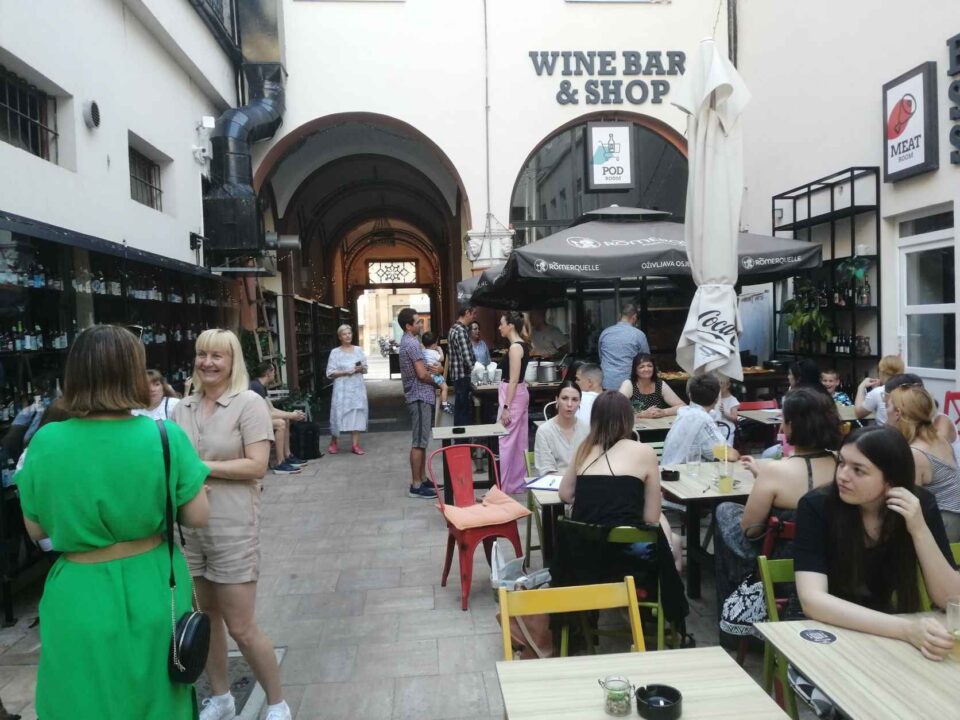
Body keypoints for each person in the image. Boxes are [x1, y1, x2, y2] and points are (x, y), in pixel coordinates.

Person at [17, 325, 210, 719]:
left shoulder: (46, 442)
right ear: (132, 373)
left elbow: (37, 530)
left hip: (78, 587)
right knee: (158, 695)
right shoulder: (164, 436)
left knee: (81, 698)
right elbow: (197, 517)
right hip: (154, 580)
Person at [171, 329, 291, 720]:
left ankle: (277, 703)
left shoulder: (248, 404)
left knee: (241, 626)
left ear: (232, 361)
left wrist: (198, 468)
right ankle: (221, 698)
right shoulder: (181, 409)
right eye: (202, 354)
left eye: (217, 356)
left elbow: (257, 465)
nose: (207, 362)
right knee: (205, 620)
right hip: (189, 531)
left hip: (232, 528)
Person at [794, 426, 960, 660]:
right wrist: (905, 630)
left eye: (858, 470)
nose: (842, 476)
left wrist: (919, 529)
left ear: (891, 480)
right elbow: (813, 601)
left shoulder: (919, 505)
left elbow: (950, 598)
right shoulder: (817, 506)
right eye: (841, 463)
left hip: (886, 631)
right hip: (823, 631)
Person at [714, 388, 841, 617]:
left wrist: (763, 479)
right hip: (832, 555)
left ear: (792, 425)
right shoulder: (843, 467)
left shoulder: (776, 471)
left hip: (780, 559)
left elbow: (750, 531)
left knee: (725, 511)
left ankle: (733, 606)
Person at [558, 390, 682, 574]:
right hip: (630, 557)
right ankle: (663, 588)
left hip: (584, 556)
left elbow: (565, 494)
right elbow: (651, 518)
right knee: (674, 548)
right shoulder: (645, 452)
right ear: (628, 418)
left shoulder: (583, 449)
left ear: (595, 419)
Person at [886, 382, 960, 541]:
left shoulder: (915, 453)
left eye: (888, 406)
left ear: (898, 413)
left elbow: (906, 502)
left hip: (943, 524)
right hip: (953, 517)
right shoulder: (937, 437)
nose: (886, 412)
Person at [397, 307, 439, 499]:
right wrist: (437, 380)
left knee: (422, 441)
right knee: (419, 442)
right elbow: (422, 374)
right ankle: (416, 485)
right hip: (419, 395)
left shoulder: (407, 341)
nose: (421, 324)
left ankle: (422, 478)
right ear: (408, 326)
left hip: (417, 395)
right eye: (417, 322)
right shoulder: (413, 343)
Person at [662, 374, 741, 466]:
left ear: (690, 396)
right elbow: (729, 455)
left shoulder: (684, 411)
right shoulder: (702, 418)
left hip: (668, 469)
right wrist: (737, 453)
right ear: (717, 399)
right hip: (682, 472)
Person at [249, 362, 307, 474]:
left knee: (285, 419)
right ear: (268, 373)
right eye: (274, 371)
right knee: (280, 424)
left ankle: (287, 456)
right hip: (251, 422)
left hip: (258, 418)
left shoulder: (261, 386)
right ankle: (279, 463)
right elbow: (268, 414)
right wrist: (292, 415)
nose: (274, 374)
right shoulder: (256, 387)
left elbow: (272, 409)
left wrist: (291, 414)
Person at [498, 310, 532, 494]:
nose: (499, 327)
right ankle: (516, 483)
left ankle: (503, 485)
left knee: (506, 439)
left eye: (502, 324)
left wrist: (506, 407)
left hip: (513, 394)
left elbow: (513, 380)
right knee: (519, 440)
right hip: (519, 393)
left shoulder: (515, 348)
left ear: (510, 326)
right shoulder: (522, 345)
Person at [325, 324, 369, 455]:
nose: (348, 336)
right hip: (342, 389)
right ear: (340, 337)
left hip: (357, 387)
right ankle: (334, 441)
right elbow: (330, 373)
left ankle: (355, 445)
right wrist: (345, 372)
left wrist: (360, 368)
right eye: (344, 334)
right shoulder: (335, 352)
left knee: (357, 414)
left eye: (349, 333)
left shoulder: (359, 350)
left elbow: (365, 368)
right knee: (338, 413)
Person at [534, 380, 589, 475]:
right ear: (557, 399)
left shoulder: (587, 430)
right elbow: (546, 469)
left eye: (575, 399)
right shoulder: (544, 431)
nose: (569, 404)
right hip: (554, 482)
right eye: (564, 398)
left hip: (582, 481)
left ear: (580, 402)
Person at [598, 303, 650, 390]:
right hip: (629, 384)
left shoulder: (605, 333)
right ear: (634, 317)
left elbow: (601, 357)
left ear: (619, 316)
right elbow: (646, 360)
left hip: (606, 383)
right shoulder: (639, 335)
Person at [618, 354, 685, 418]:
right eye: (641, 367)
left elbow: (683, 407)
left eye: (649, 366)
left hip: (658, 424)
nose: (646, 369)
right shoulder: (629, 384)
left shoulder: (660, 384)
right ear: (635, 370)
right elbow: (616, 408)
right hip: (635, 425)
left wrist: (664, 412)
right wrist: (641, 414)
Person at [446, 305, 477, 426]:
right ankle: (463, 437)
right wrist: (478, 372)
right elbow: (467, 358)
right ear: (467, 313)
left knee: (459, 410)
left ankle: (459, 435)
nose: (474, 317)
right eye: (474, 314)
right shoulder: (461, 331)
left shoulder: (453, 328)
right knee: (464, 411)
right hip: (463, 376)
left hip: (456, 375)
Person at [854, 354, 905, 424]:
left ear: (881, 372)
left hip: (886, 430)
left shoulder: (877, 392)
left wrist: (861, 387)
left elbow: (859, 413)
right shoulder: (909, 390)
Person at [422, 331, 452, 415]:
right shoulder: (434, 353)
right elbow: (441, 359)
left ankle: (442, 403)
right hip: (435, 375)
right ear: (434, 344)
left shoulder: (423, 352)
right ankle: (444, 404)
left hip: (429, 375)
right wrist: (440, 350)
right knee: (445, 388)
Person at [710, 375, 740, 446]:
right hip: (715, 429)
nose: (718, 386)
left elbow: (735, 418)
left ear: (728, 385)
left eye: (721, 383)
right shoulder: (714, 398)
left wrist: (724, 413)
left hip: (727, 431)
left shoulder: (732, 400)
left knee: (727, 449)